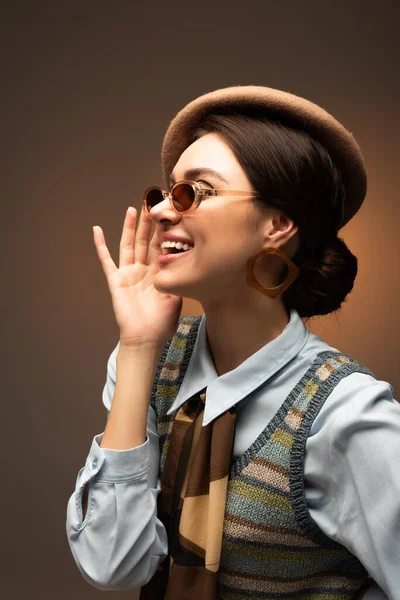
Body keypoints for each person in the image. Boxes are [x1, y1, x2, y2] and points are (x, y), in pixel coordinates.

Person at [66, 85, 400, 599]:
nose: (160, 212)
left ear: (278, 224)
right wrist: (135, 348)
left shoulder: (345, 416)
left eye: (195, 192)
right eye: (166, 191)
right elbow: (114, 565)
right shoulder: (148, 361)